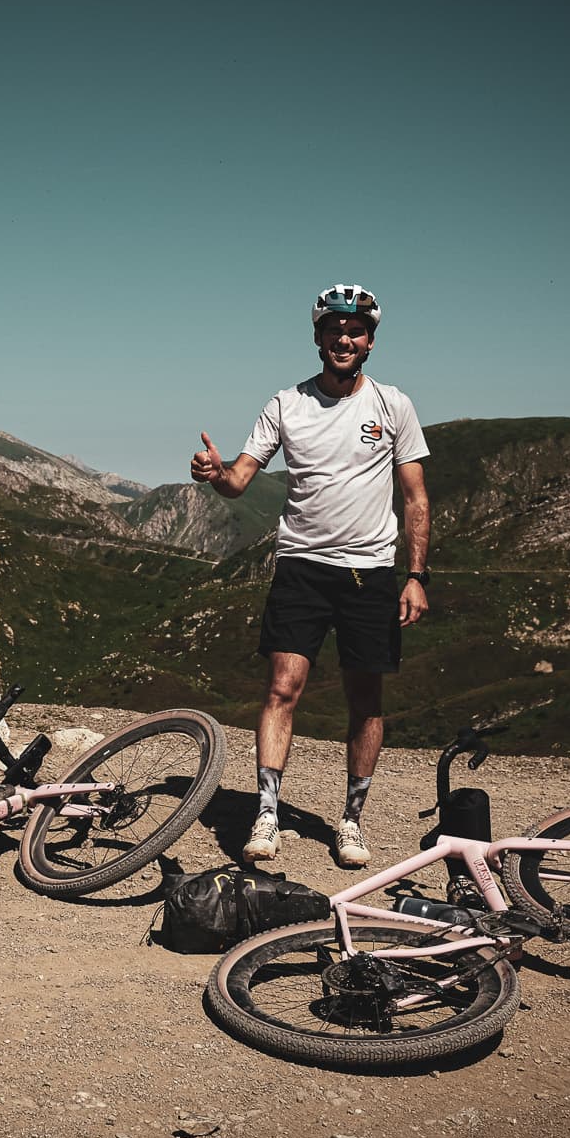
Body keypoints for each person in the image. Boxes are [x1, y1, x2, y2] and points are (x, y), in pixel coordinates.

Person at [190, 284, 431, 867]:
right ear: (318, 337)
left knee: (366, 700)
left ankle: (351, 819)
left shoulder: (393, 405)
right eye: (334, 329)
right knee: (281, 689)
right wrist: (214, 473)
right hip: (301, 566)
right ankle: (267, 811)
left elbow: (416, 497)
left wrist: (417, 576)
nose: (344, 339)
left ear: (370, 341)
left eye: (356, 331)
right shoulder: (285, 404)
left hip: (369, 573)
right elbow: (241, 480)